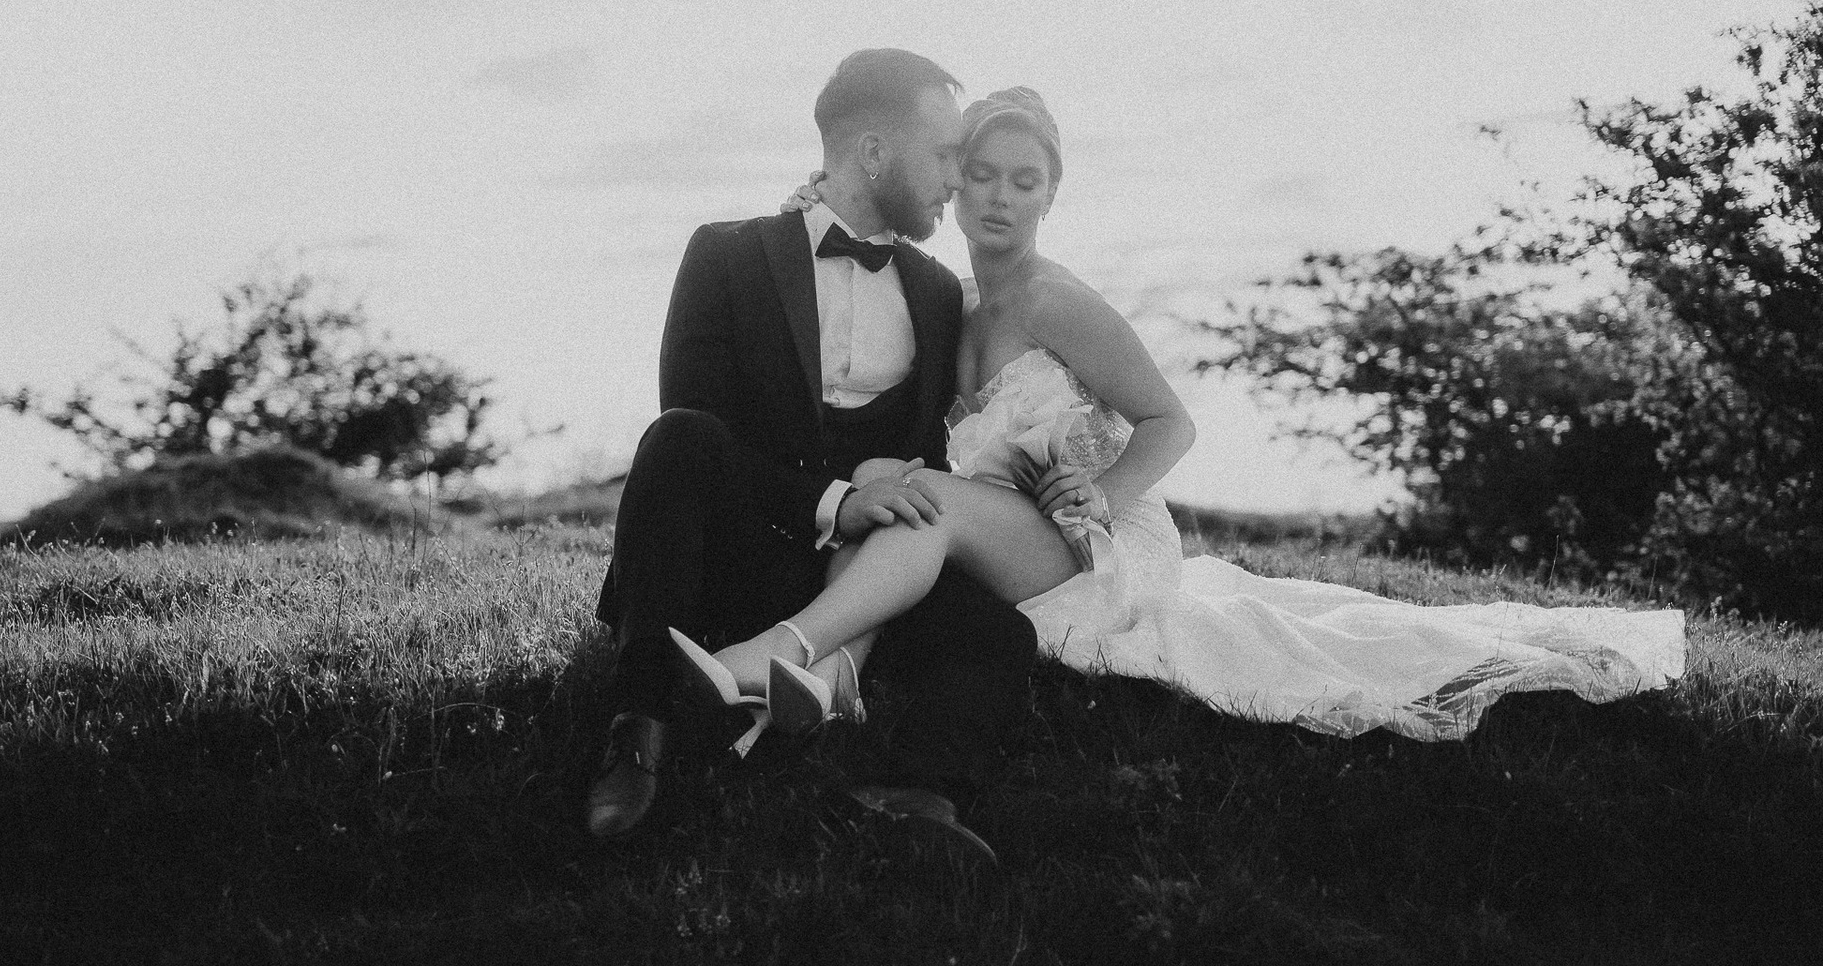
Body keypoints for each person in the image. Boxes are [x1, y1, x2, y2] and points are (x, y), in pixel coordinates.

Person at [678, 86, 1685, 744]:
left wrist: (1101, 491)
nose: (998, 198)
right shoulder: (949, 302)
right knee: (899, 495)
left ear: (1050, 196)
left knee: (923, 499)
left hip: (1086, 538)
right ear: (953, 180)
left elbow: (1171, 421)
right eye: (979, 175)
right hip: (1000, 531)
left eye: (1024, 181)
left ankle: (770, 653)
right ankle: (829, 684)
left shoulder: (1058, 301)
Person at [585, 50, 1039, 840]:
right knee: (678, 437)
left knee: (1000, 636)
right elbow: (696, 443)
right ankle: (638, 733)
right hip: (740, 556)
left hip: (856, 578)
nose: (956, 180)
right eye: (943, 156)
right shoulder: (726, 254)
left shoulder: (937, 292)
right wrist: (836, 502)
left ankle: (917, 797)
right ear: (874, 152)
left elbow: (939, 450)